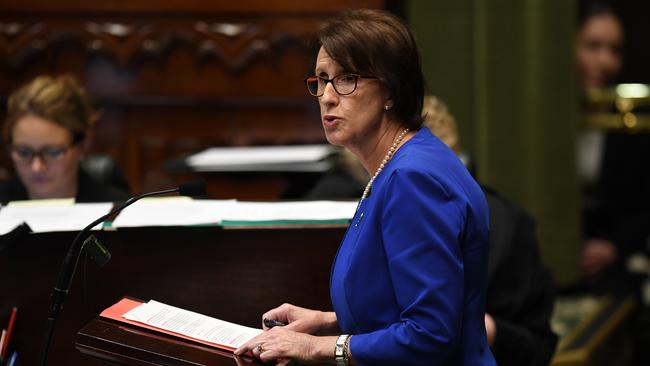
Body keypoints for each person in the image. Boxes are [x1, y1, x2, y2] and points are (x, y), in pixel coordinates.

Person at [235, 10, 495, 365]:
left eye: (347, 79)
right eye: (322, 79)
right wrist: (327, 323)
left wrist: (317, 348)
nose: (327, 96)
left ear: (391, 89)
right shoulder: (402, 162)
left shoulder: (413, 180)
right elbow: (400, 303)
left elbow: (431, 334)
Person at [307, 95, 558, 365]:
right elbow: (390, 317)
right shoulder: (357, 197)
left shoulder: (504, 223)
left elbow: (537, 345)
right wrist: (328, 323)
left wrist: (475, 326)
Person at [0, 75, 129, 203]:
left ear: (83, 143)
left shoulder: (122, 210)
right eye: (23, 152)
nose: (37, 167)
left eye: (53, 152)